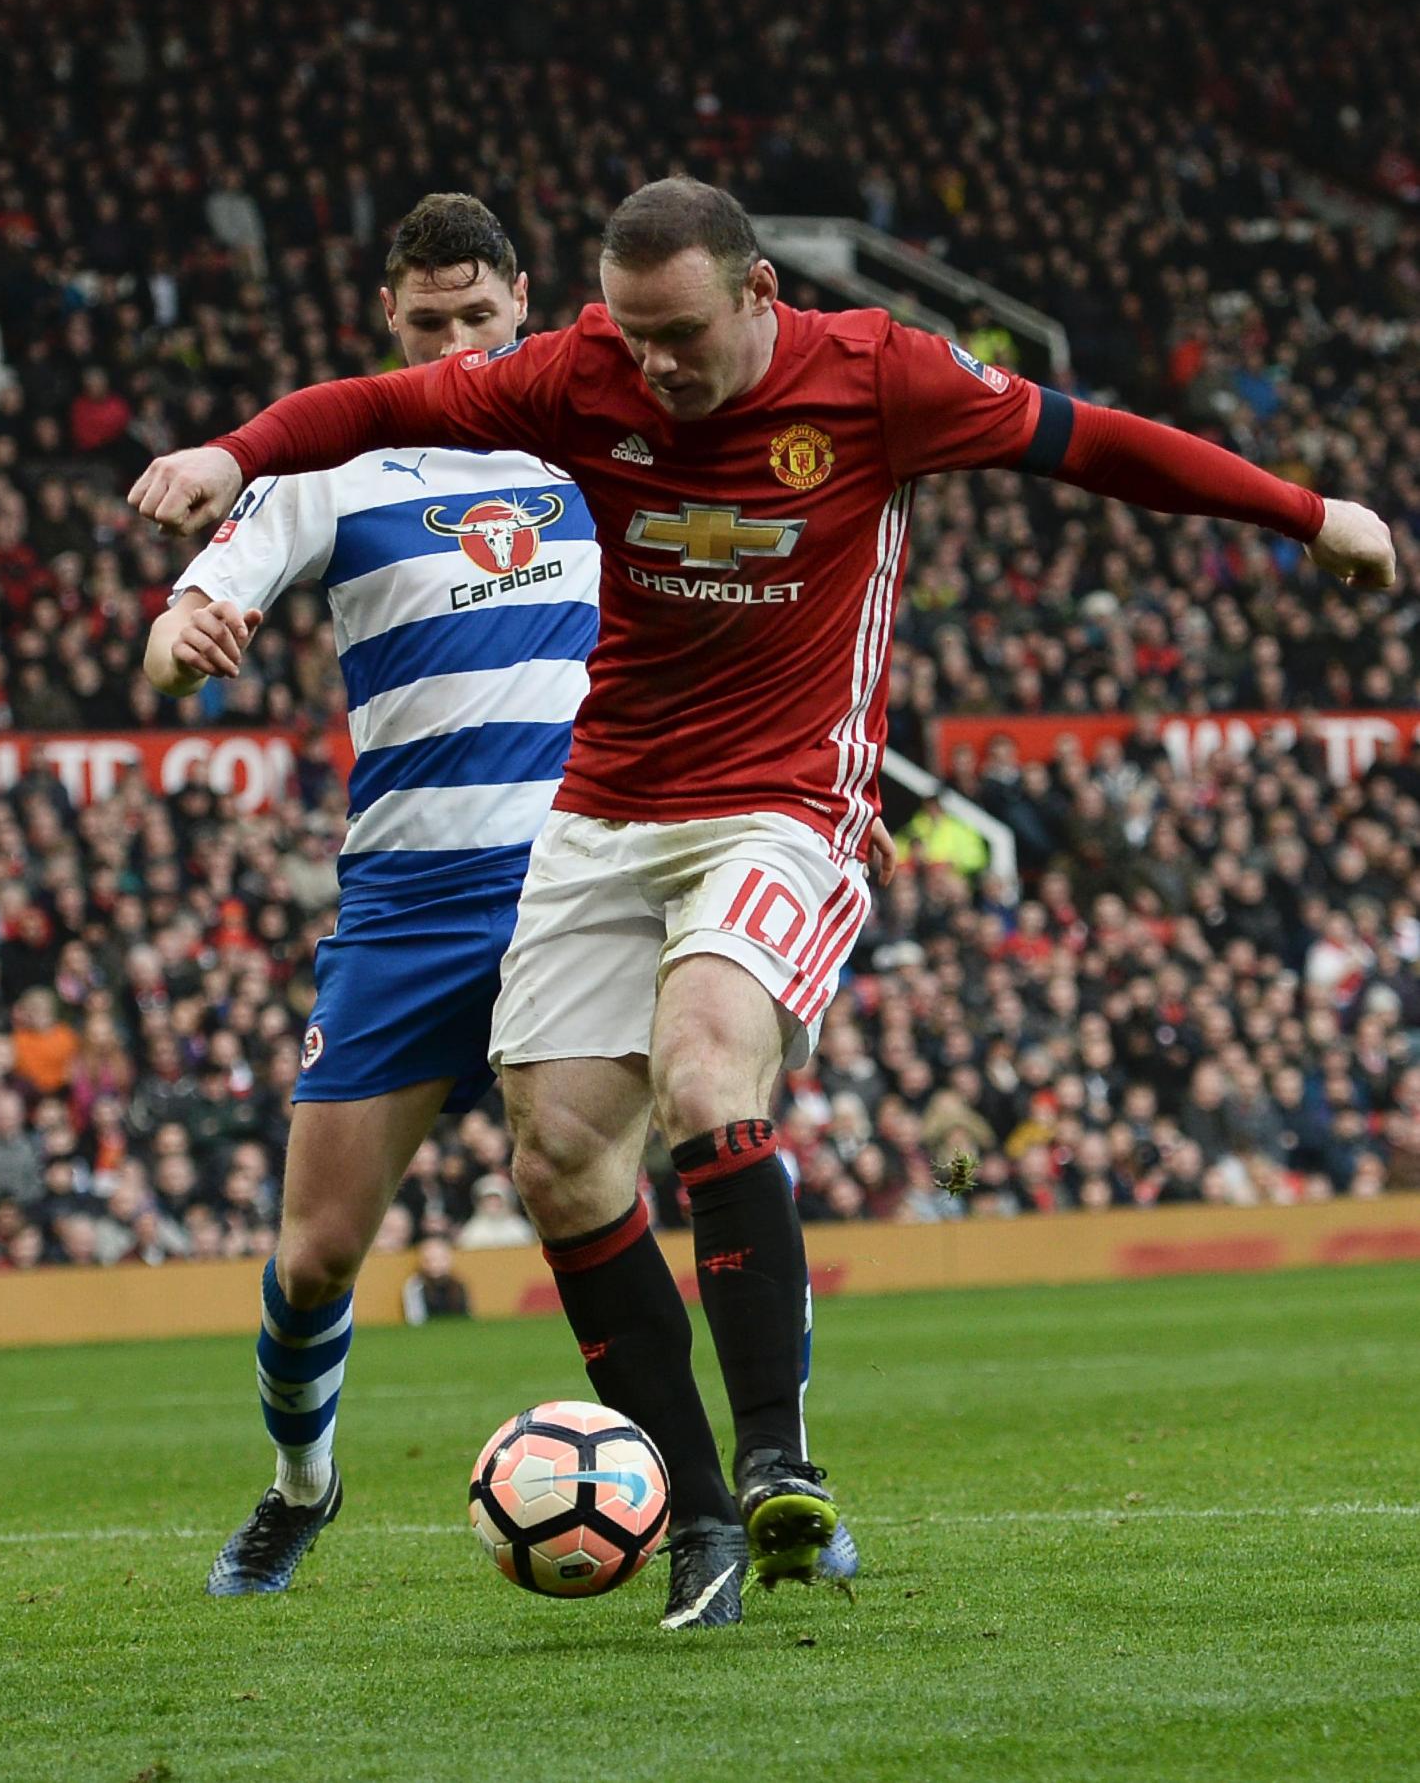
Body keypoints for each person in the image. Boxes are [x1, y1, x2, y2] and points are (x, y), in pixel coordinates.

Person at [131, 175, 1395, 1623]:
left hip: (784, 802)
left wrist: (1310, 514)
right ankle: (700, 1518)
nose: (654, 366)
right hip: (592, 819)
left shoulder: (877, 376)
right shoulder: (571, 379)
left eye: (680, 335)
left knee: (706, 1072)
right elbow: (349, 414)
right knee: (552, 1161)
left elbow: (1094, 442)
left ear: (758, 299)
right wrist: (228, 453)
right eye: (633, 335)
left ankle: (783, 1459)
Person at [143, 194, 877, 1614]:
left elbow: (763, 593)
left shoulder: (609, 434)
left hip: (596, 865)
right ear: (389, 323)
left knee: (710, 1129)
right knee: (314, 1251)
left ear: (527, 303)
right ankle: (302, 1484)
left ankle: (765, 1485)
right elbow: (196, 608)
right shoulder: (335, 465)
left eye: (480, 318)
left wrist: (818, 778)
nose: (460, 342)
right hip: (413, 900)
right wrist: (188, 630)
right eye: (430, 325)